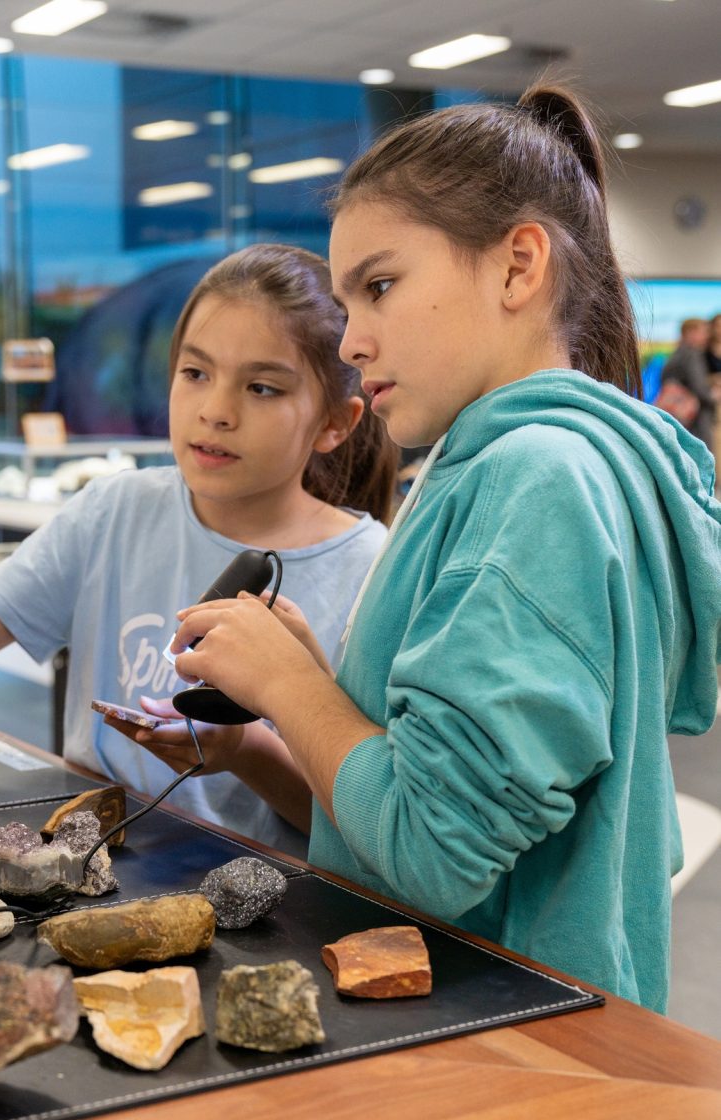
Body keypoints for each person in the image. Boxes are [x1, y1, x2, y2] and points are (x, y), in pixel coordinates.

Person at [141, 83, 721, 1012]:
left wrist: (292, 691)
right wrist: (323, 684)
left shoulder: (537, 480)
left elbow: (433, 847)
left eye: (379, 287)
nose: (353, 341)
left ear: (518, 266)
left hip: (502, 1042)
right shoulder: (536, 461)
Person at [0, 243, 398, 854]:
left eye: (263, 388)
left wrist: (245, 750)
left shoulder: (376, 572)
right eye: (195, 374)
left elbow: (366, 830)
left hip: (270, 899)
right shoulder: (113, 511)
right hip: (84, 861)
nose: (215, 411)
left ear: (335, 423)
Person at [660, 317, 718, 451]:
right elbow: (700, 389)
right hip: (696, 416)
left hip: (678, 414)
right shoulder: (692, 354)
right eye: (704, 332)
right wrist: (713, 395)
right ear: (690, 333)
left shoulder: (677, 352)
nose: (707, 336)